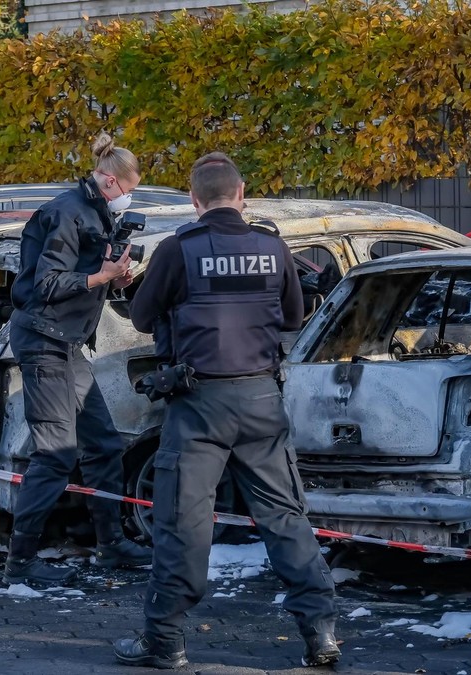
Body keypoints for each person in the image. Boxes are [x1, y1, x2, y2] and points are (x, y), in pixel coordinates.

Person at [113, 152, 340, 669]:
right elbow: (292, 317)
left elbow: (143, 318)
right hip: (261, 399)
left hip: (198, 405)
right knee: (285, 517)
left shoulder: (178, 250)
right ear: (242, 196)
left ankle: (165, 642)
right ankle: (320, 632)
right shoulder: (273, 247)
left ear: (195, 201)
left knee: (182, 522)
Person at [3, 132, 154, 586]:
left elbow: (85, 274)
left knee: (103, 444)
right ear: (109, 181)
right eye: (127, 190)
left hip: (66, 344)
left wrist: (115, 278)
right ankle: (20, 561)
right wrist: (99, 277)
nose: (128, 199)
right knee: (55, 454)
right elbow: (46, 284)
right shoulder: (68, 213)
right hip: (43, 341)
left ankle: (111, 544)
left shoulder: (96, 211)